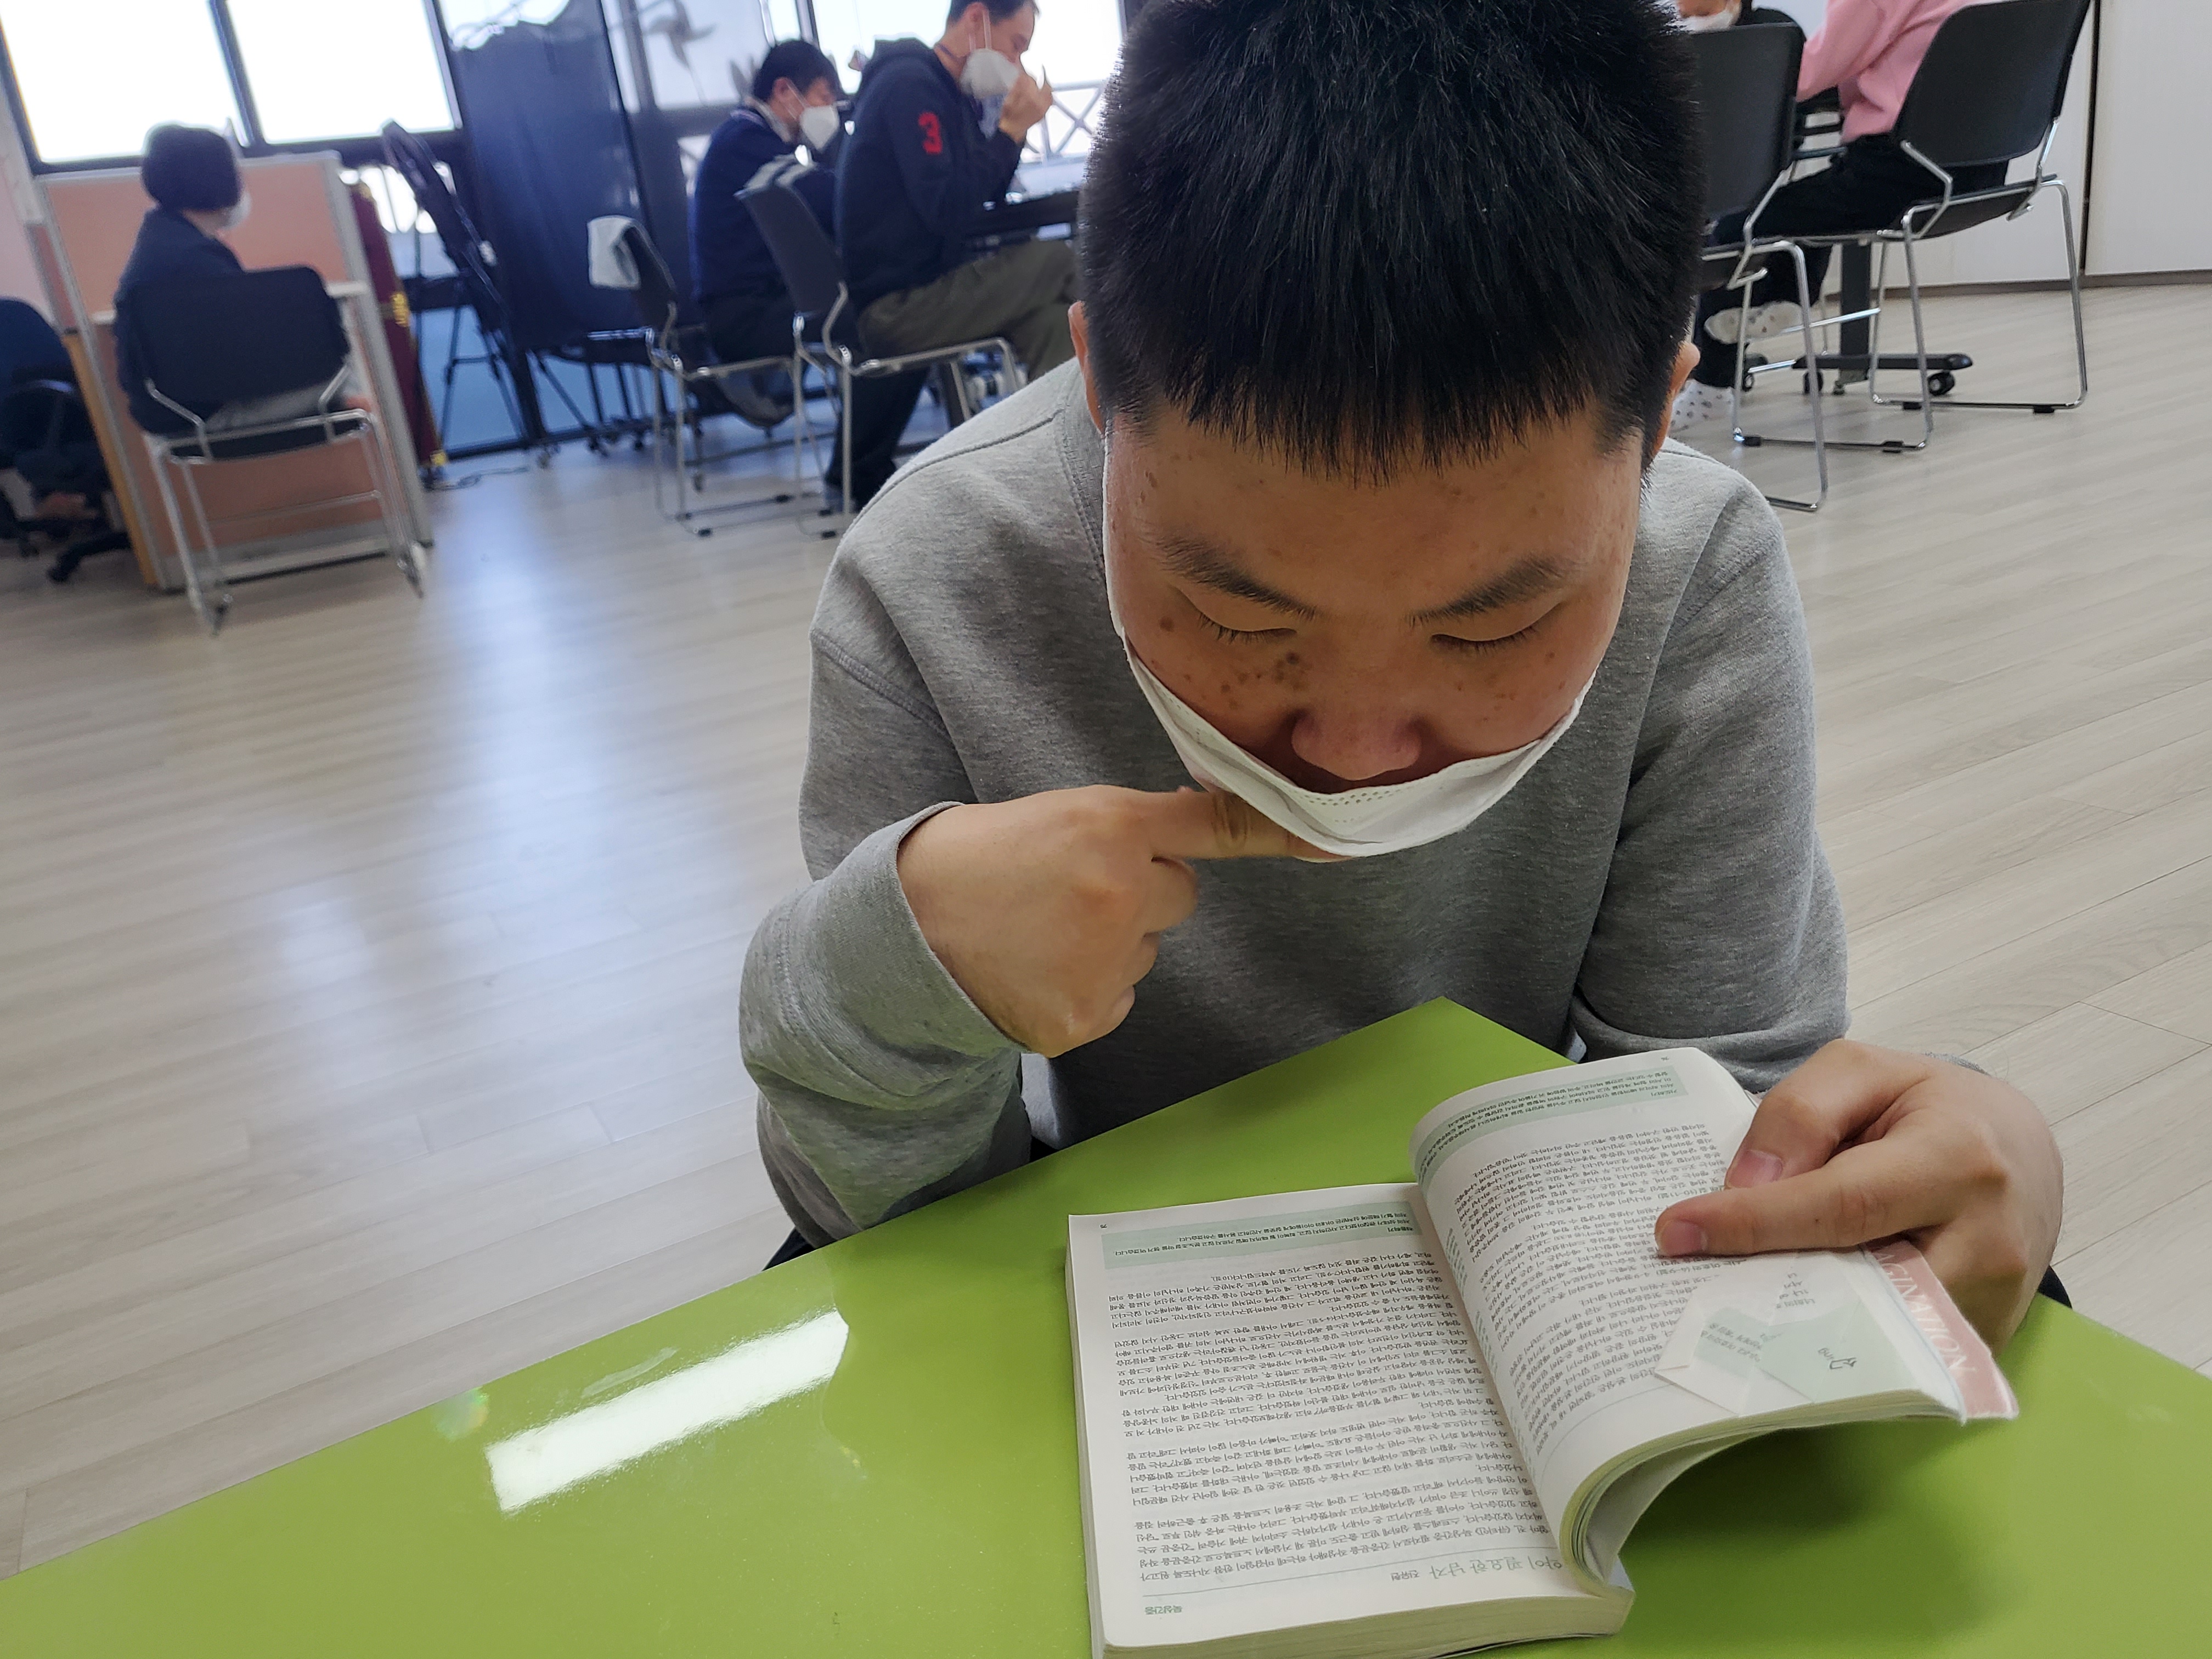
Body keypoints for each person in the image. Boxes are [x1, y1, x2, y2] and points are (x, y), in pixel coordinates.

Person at [740, 0, 2062, 1348]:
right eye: (1236, 614)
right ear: (1098, 385)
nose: (1357, 753)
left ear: (1662, 419)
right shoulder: (941, 581)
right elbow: (893, 1251)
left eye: (1490, 629)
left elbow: (1728, 1133)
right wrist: (892, 973)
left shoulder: (1694, 573)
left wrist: (1947, 1156)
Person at [1675, 0, 2012, 425]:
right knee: (1812, 203)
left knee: (1742, 224)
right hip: (1982, 171)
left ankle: (1712, 385)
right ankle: (1784, 299)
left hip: (1903, 173)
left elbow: (1799, 78)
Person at [831, 0, 1077, 476]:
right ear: (976, 19)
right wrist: (1010, 132)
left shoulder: (947, 93)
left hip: (927, 292)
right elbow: (947, 208)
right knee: (1057, 261)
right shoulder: (912, 88)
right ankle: (1145, 401)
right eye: (1016, 45)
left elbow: (980, 194)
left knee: (1050, 321)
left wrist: (1009, 130)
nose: (1017, 63)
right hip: (899, 307)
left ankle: (1061, 465)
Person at [114, 125, 346, 437]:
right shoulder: (199, 260)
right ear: (222, 180)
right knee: (342, 373)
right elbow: (249, 359)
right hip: (209, 416)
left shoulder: (160, 243)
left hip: (168, 413)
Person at [690, 40, 844, 430]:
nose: (830, 110)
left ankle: (861, 446)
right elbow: (828, 200)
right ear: (784, 91)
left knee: (858, 303)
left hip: (754, 308)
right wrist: (837, 148)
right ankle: (861, 454)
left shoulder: (743, 138)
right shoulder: (745, 144)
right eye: (824, 97)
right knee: (871, 311)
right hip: (748, 319)